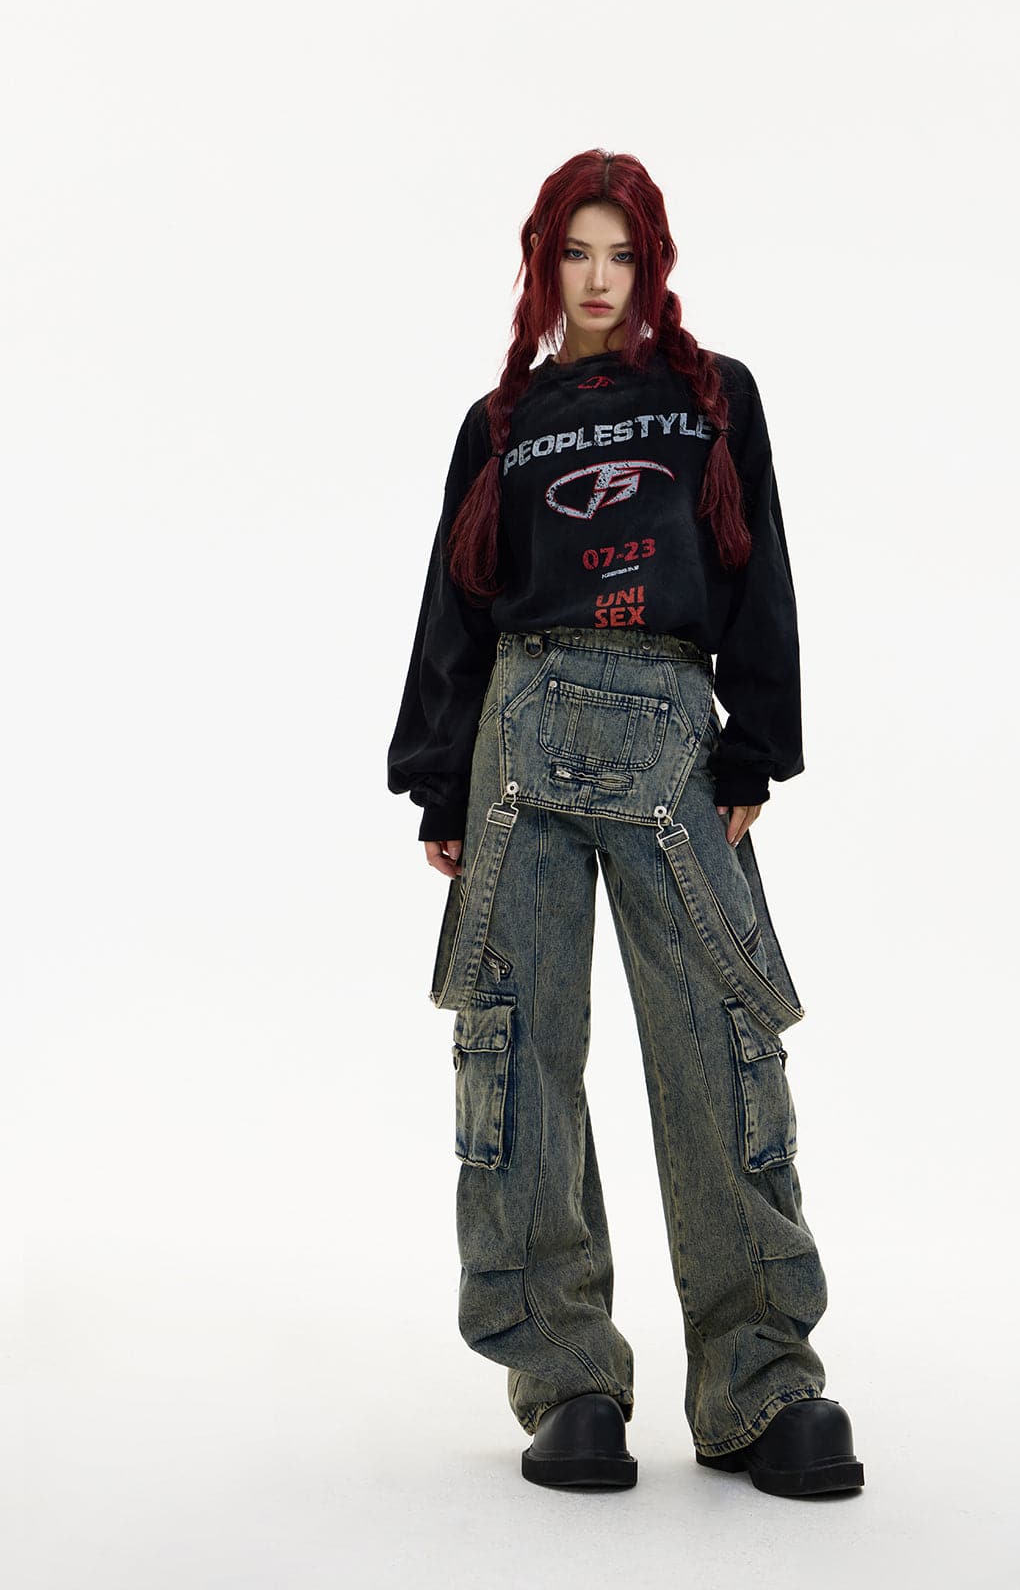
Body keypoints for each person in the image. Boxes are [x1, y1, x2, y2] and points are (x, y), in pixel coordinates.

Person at [386, 148, 864, 1498]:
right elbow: (455, 603)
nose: (599, 280)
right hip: (519, 737)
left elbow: (760, 564)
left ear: (654, 267)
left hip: (671, 730)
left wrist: (757, 743)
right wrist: (439, 780)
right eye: (576, 254)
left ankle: (762, 1382)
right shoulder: (502, 422)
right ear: (543, 265)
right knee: (519, 1051)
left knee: (720, 1044)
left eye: (623, 256)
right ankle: (570, 1383)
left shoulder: (715, 399)